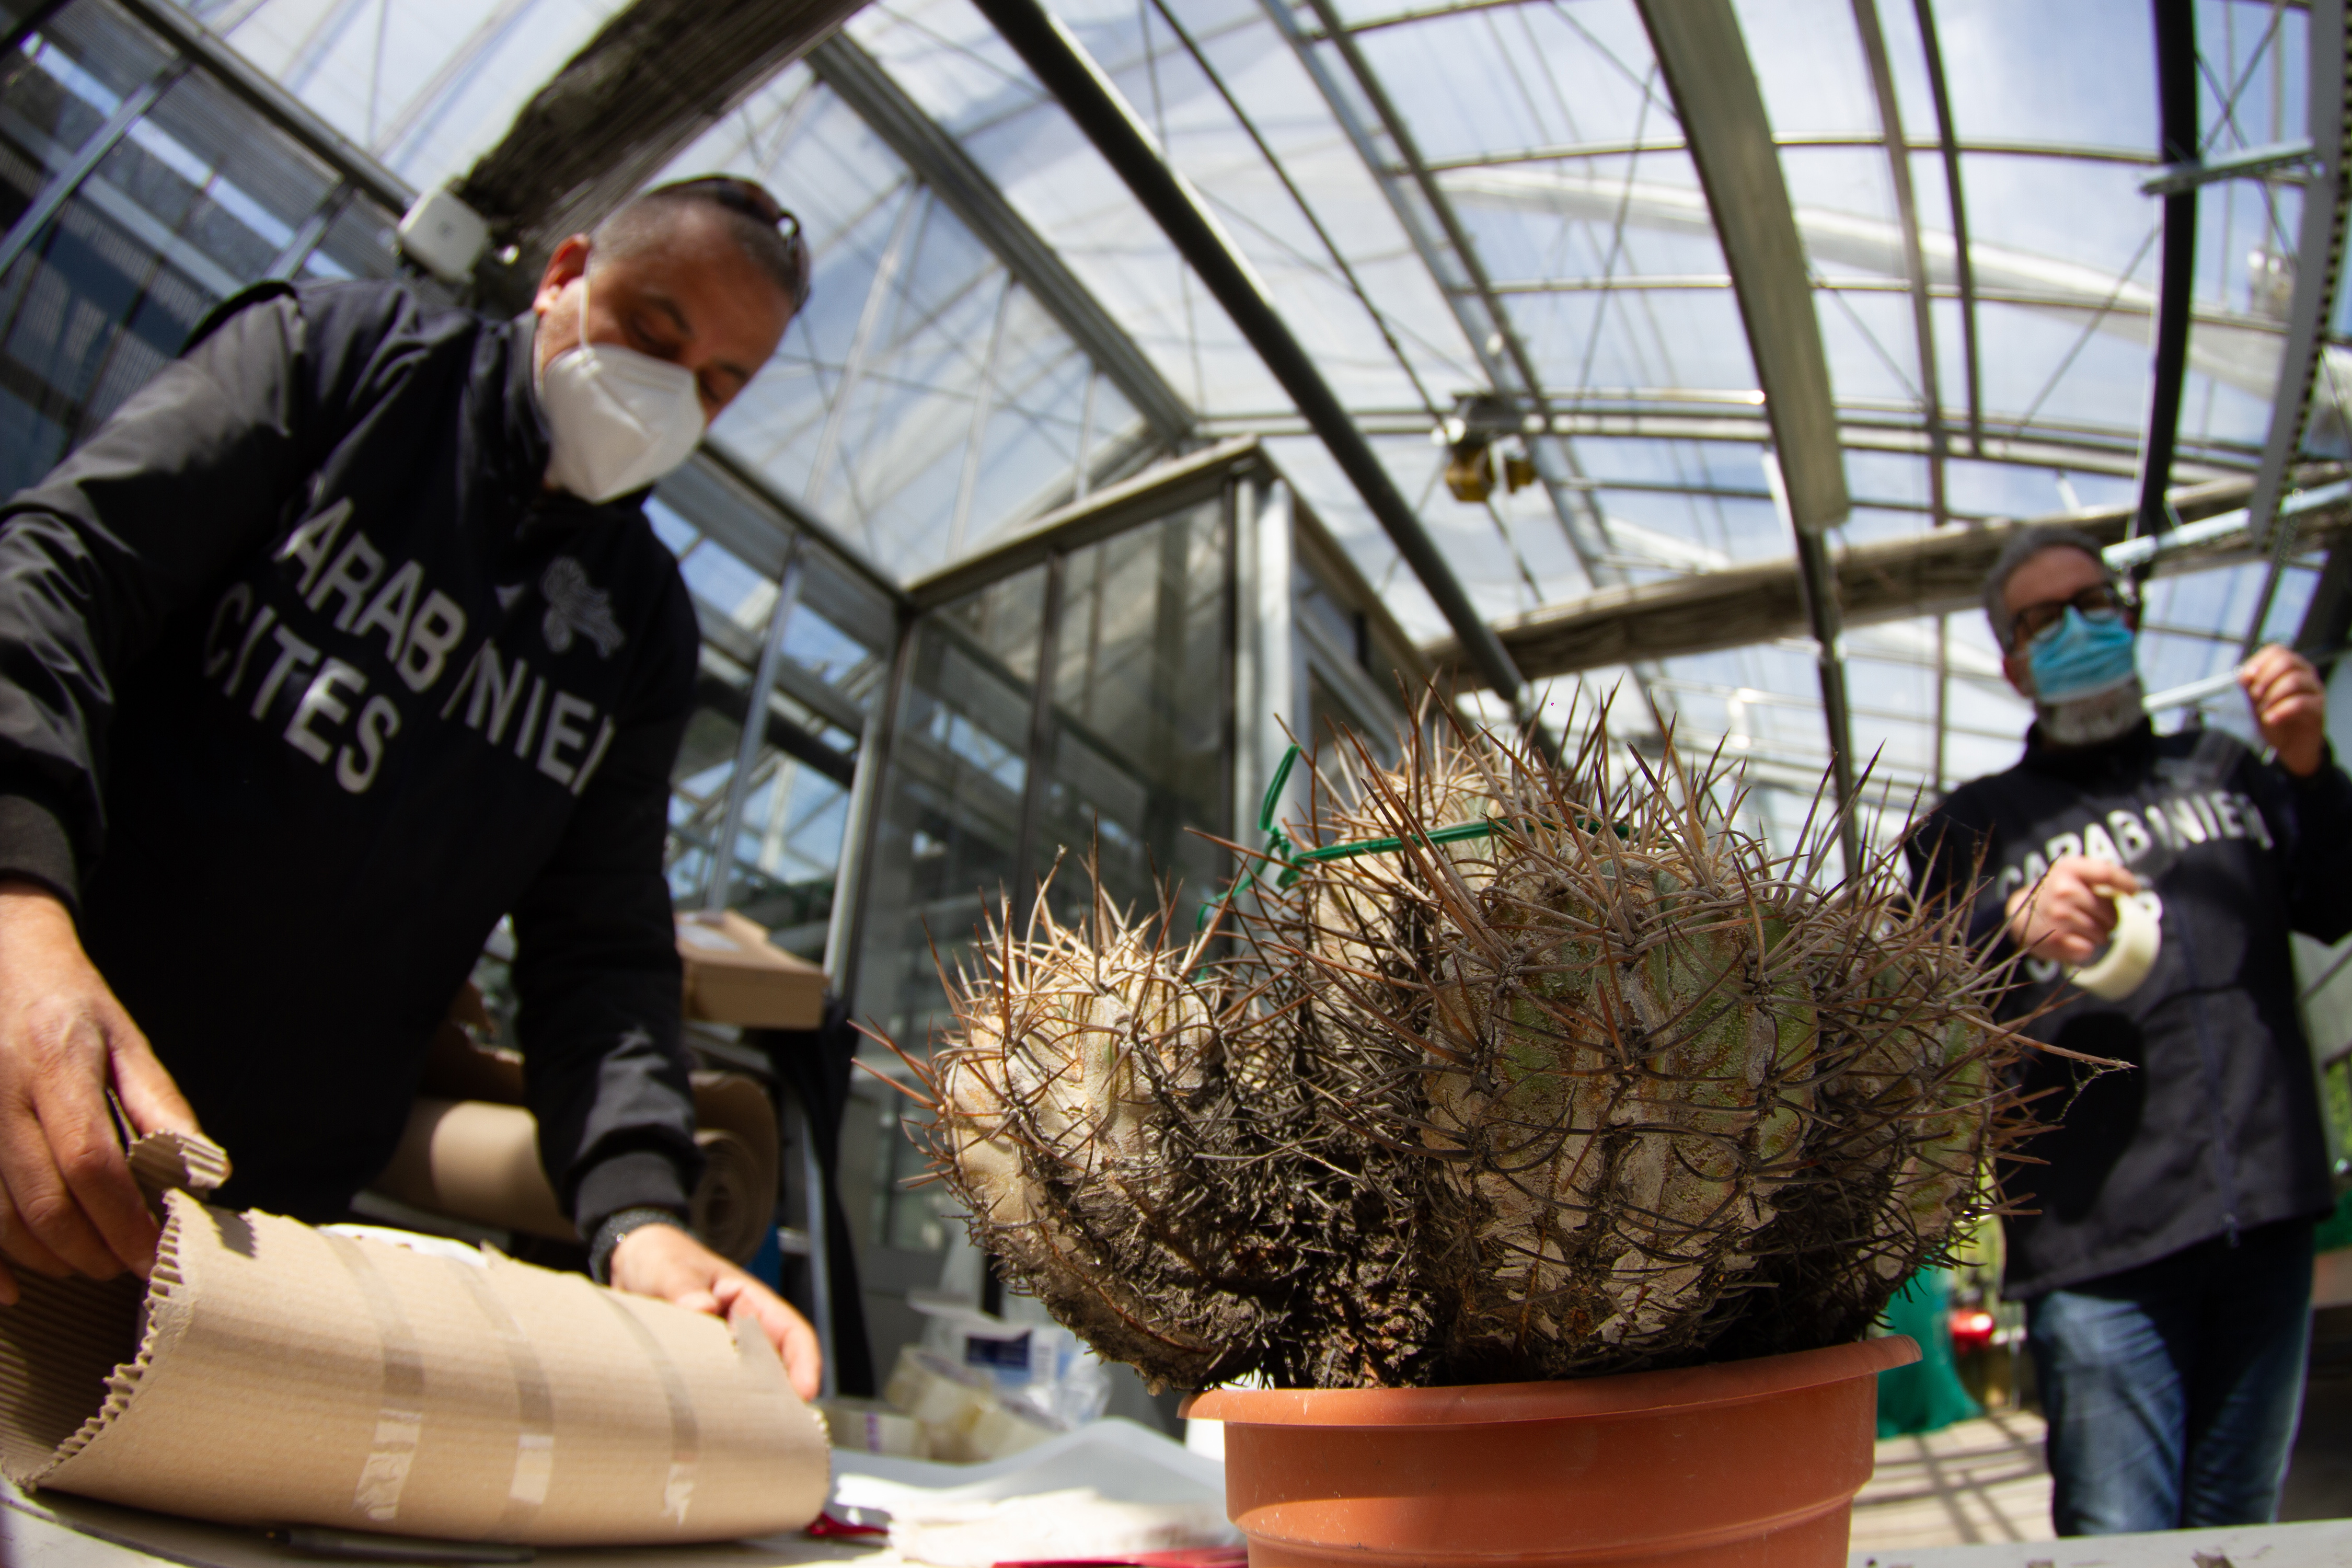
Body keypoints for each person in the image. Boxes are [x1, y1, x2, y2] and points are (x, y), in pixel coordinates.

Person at [0, 176, 824, 1397]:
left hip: (257, 1222)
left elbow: (598, 944)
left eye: (716, 384)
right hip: (39, 1058)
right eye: (654, 333)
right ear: (563, 273)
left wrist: (640, 1216)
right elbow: (57, 578)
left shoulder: (642, 629)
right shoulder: (339, 363)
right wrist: (18, 915)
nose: (669, 394)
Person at [1906, 525, 2352, 1533]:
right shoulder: (1969, 828)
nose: (2081, 627)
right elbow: (1916, 1006)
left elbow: (2332, 899)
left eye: (2098, 602)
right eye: (2044, 618)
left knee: (2241, 1529)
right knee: (2122, 1539)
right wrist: (2006, 924)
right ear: (2015, 664)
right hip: (2101, 1242)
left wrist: (2309, 768)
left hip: (2267, 1211)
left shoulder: (2225, 768)